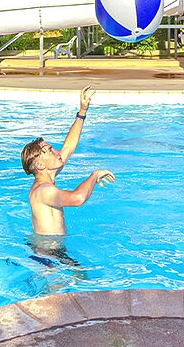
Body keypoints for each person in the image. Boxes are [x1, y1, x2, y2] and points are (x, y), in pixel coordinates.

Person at [21, 85, 114, 236]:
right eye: (50, 151)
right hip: (48, 255)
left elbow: (69, 147)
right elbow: (78, 199)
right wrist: (94, 175)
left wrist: (82, 112)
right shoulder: (44, 191)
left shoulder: (45, 178)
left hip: (49, 251)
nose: (57, 151)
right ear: (40, 165)